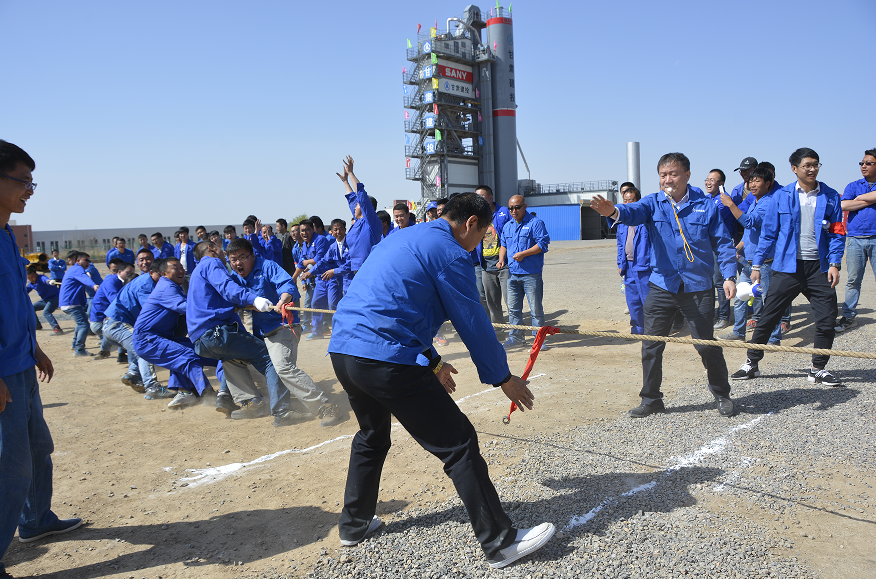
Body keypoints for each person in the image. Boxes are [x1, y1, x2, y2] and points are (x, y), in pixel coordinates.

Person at [327, 193, 554, 568]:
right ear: (469, 225)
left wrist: (432, 361)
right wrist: (503, 378)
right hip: (385, 359)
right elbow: (472, 320)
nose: (479, 242)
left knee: (371, 435)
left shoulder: (406, 236)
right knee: (459, 443)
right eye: (481, 235)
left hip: (345, 352)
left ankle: (354, 525)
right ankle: (500, 541)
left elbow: (398, 305)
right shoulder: (449, 251)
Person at [591, 152, 737, 418]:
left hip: (697, 286)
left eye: (673, 174)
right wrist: (613, 211)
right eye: (662, 175)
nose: (667, 180)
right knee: (651, 344)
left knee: (705, 344)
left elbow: (724, 243)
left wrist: (729, 276)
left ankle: (722, 394)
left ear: (687, 175)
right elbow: (632, 212)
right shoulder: (652, 203)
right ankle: (651, 399)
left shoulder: (707, 206)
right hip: (661, 285)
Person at [0, 140, 82, 578]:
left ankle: (35, 522)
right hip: (1, 373)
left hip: (20, 364)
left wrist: (34, 347)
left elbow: (12, 300)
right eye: (22, 180)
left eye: (33, 181)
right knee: (10, 468)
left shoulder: (7, 235)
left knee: (38, 448)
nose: (29, 189)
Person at [733, 148, 845, 386]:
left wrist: (835, 263)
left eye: (816, 164)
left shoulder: (831, 196)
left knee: (826, 318)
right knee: (768, 316)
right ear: (795, 169)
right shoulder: (781, 197)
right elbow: (768, 234)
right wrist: (757, 264)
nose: (812, 169)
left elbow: (837, 232)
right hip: (787, 268)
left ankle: (818, 368)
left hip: (819, 267)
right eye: (807, 165)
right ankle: (751, 363)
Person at [227, 239, 340, 426]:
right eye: (233, 259)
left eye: (242, 257)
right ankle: (253, 402)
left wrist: (282, 301)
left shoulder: (267, 267)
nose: (238, 263)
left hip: (282, 326)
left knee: (283, 366)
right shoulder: (234, 277)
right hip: (259, 332)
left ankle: (324, 405)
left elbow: (287, 285)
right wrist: (248, 304)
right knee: (229, 354)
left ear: (252, 255)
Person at [186, 241, 288, 421]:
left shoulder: (196, 272)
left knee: (231, 358)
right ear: (212, 249)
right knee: (268, 358)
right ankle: (283, 411)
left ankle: (248, 401)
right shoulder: (212, 263)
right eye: (221, 250)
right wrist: (254, 299)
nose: (224, 254)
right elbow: (227, 288)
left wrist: (248, 304)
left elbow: (220, 300)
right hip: (215, 333)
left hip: (200, 340)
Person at [133, 257, 217, 408]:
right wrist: (217, 308)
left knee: (203, 350)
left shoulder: (173, 286)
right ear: (164, 273)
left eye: (181, 268)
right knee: (187, 357)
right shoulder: (167, 287)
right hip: (147, 339)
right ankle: (208, 394)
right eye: (175, 268)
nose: (181, 271)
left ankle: (185, 392)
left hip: (160, 337)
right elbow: (187, 308)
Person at [716, 165, 783, 344]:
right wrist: (737, 248)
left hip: (765, 262)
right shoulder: (755, 201)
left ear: (768, 183)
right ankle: (739, 332)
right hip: (748, 261)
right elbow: (748, 233)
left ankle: (774, 338)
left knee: (769, 301)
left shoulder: (769, 202)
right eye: (751, 181)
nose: (752, 184)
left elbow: (749, 221)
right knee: (741, 297)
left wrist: (730, 204)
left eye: (757, 181)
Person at [498, 195, 551, 350]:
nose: (513, 211)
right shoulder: (508, 226)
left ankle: (538, 340)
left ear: (524, 206)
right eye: (510, 208)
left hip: (531, 275)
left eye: (517, 207)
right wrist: (501, 259)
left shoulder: (536, 223)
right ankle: (516, 338)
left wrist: (523, 254)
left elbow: (543, 245)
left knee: (535, 309)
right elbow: (504, 244)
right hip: (513, 274)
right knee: (513, 309)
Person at [103, 262, 162, 395]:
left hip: (114, 325)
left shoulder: (144, 281)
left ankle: (133, 374)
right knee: (144, 348)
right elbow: (151, 310)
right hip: (117, 325)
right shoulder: (145, 285)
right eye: (162, 274)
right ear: (153, 272)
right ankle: (152, 388)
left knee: (136, 343)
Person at [835, 147, 876, 332]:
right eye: (862, 163)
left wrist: (858, 201)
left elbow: (851, 204)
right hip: (855, 239)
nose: (863, 166)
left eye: (868, 163)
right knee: (853, 280)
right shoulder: (853, 186)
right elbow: (843, 205)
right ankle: (849, 316)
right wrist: (867, 199)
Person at [334, 156, 382, 294]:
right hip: (354, 272)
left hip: (368, 271)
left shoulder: (371, 222)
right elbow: (352, 199)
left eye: (358, 205)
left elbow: (361, 195)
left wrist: (351, 173)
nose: (355, 206)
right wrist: (345, 181)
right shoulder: (357, 222)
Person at [704, 169, 740, 330]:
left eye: (713, 180)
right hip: (706, 247)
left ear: (721, 183)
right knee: (709, 282)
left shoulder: (723, 201)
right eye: (707, 179)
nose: (709, 182)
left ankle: (724, 316)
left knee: (720, 282)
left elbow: (708, 217)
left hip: (719, 247)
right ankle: (710, 315)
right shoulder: (706, 199)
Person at [614, 184, 651, 334]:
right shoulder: (622, 223)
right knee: (632, 302)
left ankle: (652, 330)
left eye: (631, 200)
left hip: (644, 267)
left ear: (638, 201)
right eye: (625, 201)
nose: (628, 204)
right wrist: (620, 263)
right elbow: (620, 245)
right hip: (628, 267)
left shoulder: (647, 221)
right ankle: (637, 328)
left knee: (648, 302)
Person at [477, 185, 513, 329]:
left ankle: (517, 333)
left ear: (490, 198)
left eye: (482, 197)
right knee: (492, 302)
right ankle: (499, 332)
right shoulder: (477, 216)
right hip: (486, 265)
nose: (479, 200)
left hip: (505, 264)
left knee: (510, 301)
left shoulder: (504, 212)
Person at [91, 259, 136, 360]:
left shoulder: (123, 281)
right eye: (128, 273)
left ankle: (110, 352)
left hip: (110, 320)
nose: (131, 275)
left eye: (132, 273)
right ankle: (132, 367)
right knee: (128, 335)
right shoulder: (111, 282)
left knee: (123, 328)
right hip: (100, 321)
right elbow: (115, 301)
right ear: (119, 272)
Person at [58, 252, 100, 356]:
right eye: (86, 260)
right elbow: (85, 279)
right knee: (84, 324)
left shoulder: (74, 270)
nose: (88, 262)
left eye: (89, 260)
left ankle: (74, 344)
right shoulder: (77, 269)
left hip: (71, 303)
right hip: (71, 303)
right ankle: (79, 349)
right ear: (78, 261)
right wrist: (94, 285)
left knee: (81, 321)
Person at [296, 219, 330, 338]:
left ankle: (338, 332)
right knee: (315, 303)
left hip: (332, 277)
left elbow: (319, 260)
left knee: (333, 306)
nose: (304, 233)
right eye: (302, 230)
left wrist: (309, 271)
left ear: (313, 229)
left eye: (307, 230)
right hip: (320, 279)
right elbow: (301, 263)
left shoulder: (321, 240)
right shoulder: (305, 244)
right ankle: (317, 332)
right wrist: (293, 278)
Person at [26, 265, 61, 333]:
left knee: (46, 312)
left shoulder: (41, 278)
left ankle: (57, 329)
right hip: (46, 300)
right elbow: (25, 291)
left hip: (55, 297)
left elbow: (46, 280)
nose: (31, 279)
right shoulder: (31, 284)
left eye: (32, 277)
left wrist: (50, 281)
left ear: (36, 274)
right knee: (31, 307)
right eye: (28, 278)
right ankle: (37, 325)